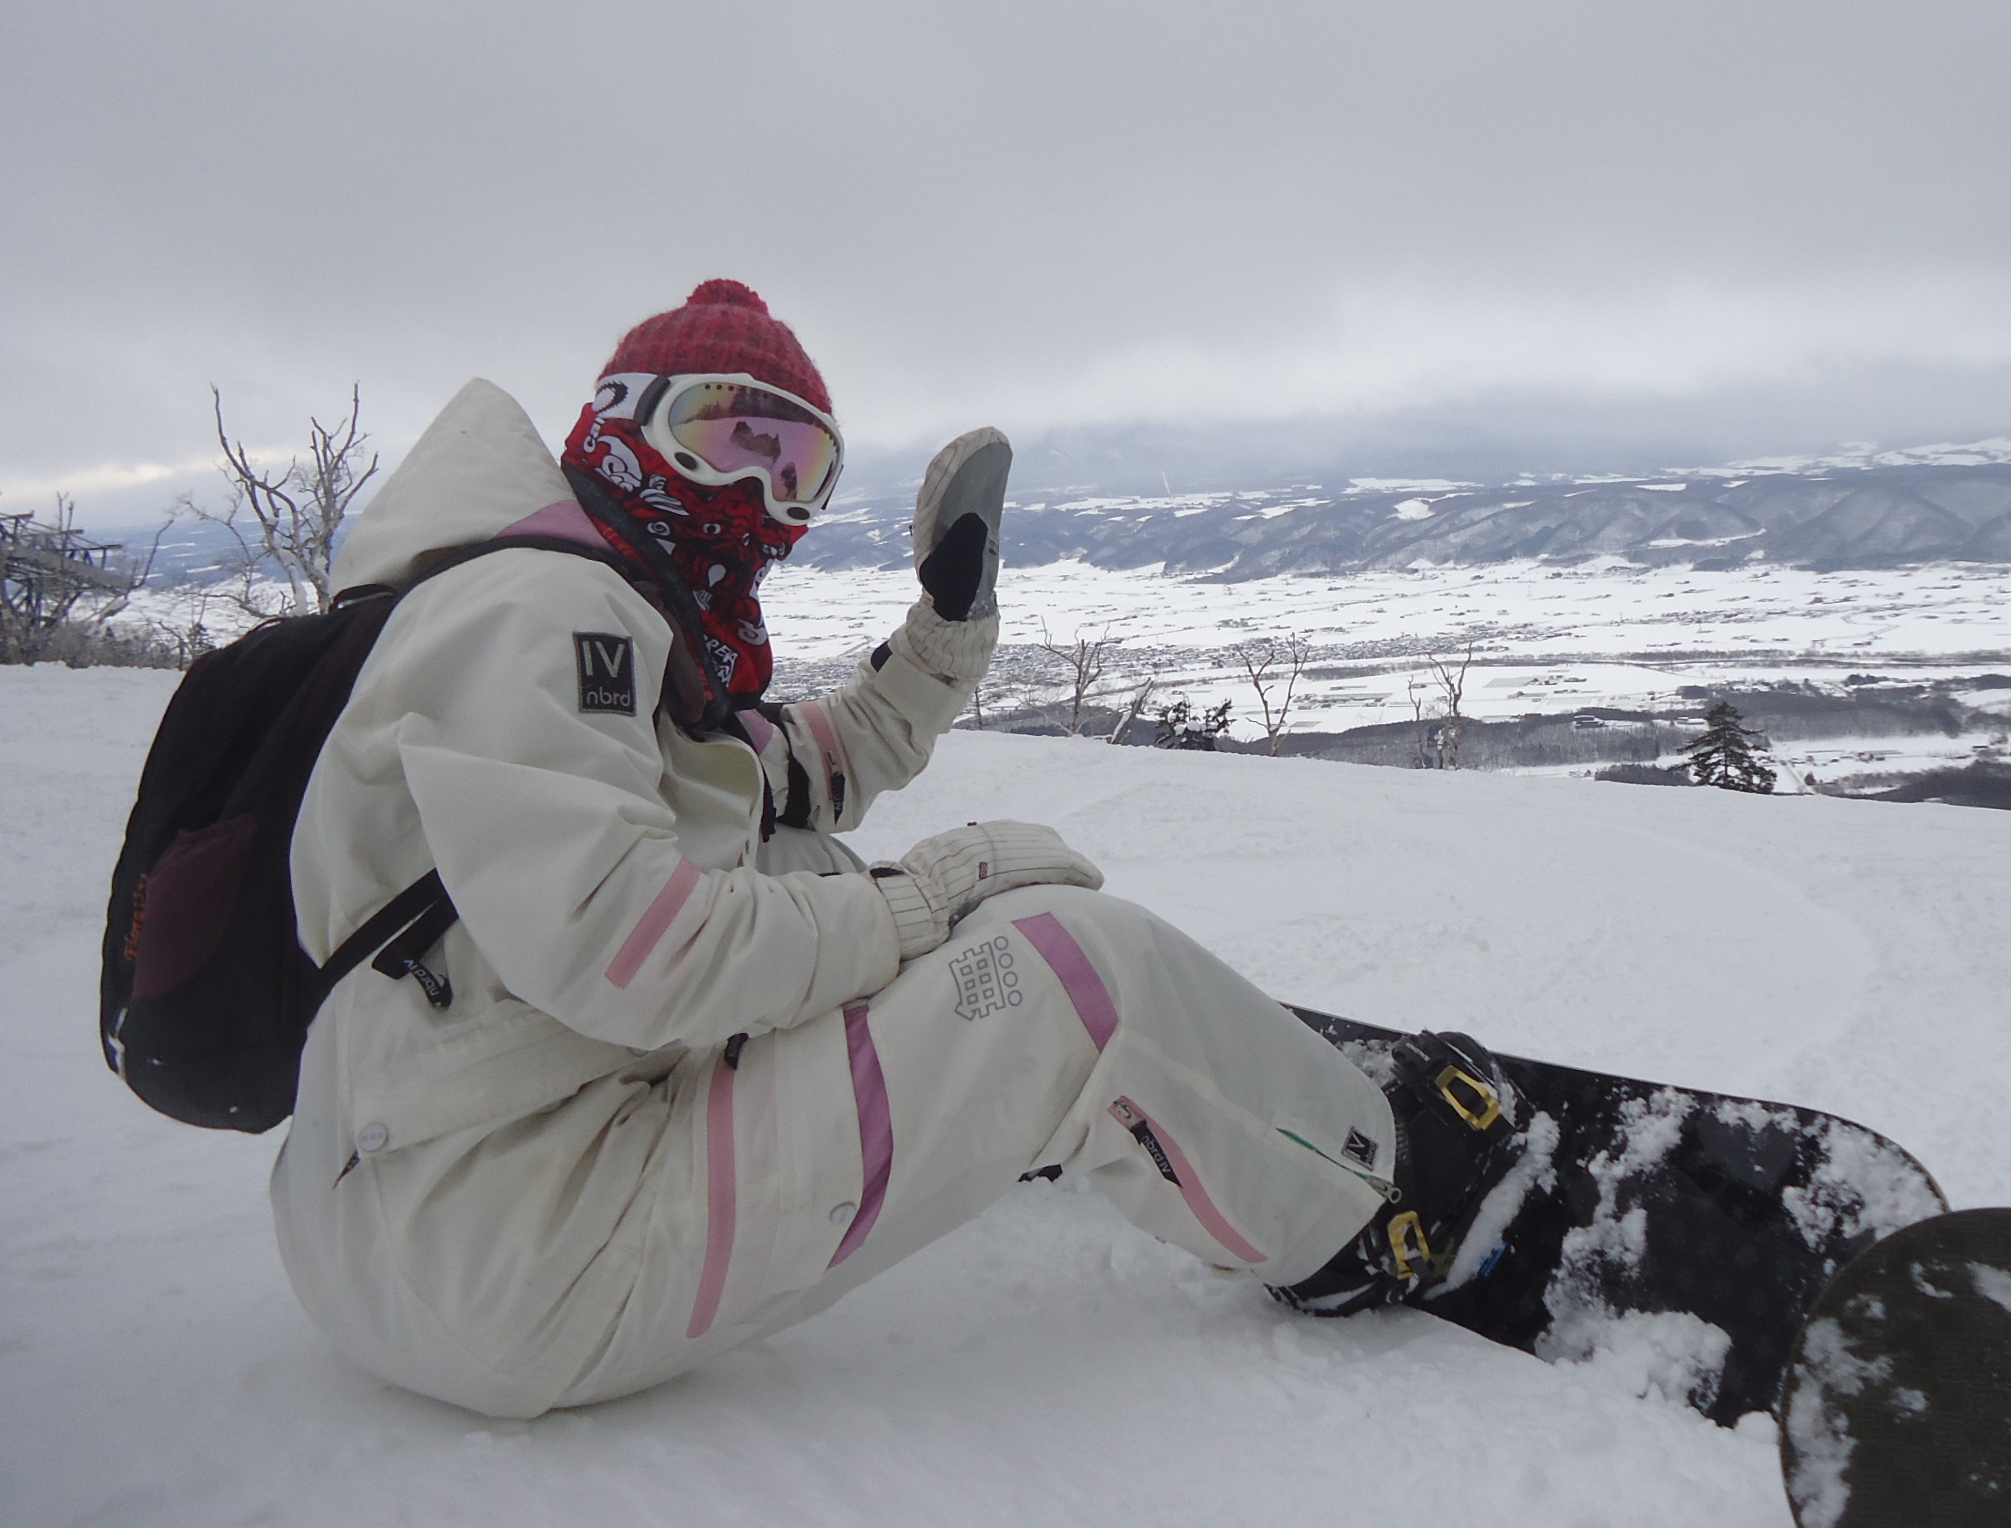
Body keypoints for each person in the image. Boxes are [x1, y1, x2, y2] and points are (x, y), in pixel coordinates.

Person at [275, 278, 1528, 1419]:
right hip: (526, 1247)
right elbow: (630, 945)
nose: (763, 500)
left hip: (440, 1203)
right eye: (730, 437)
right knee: (1077, 977)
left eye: (798, 468)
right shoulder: (544, 611)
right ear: (625, 424)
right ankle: (1375, 1205)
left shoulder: (568, 607)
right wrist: (920, 904)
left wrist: (945, 629)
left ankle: (1003, 1096)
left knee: (828, 883)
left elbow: (796, 775)